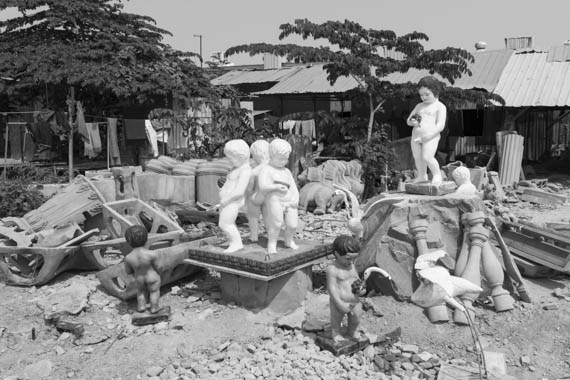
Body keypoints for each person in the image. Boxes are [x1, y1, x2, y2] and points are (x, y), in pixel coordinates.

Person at [258, 138, 299, 255]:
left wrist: (295, 198)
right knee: (276, 223)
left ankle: (289, 240)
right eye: (280, 159)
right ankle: (272, 243)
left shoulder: (286, 171)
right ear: (271, 155)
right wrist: (275, 187)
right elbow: (263, 186)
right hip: (274, 200)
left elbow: (293, 187)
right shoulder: (266, 170)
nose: (283, 161)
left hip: (289, 201)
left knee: (292, 224)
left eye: (285, 159)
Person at [406, 76, 447, 185]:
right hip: (415, 136)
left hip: (431, 137)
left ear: (435, 92)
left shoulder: (440, 107)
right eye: (421, 95)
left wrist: (429, 135)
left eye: (427, 94)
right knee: (418, 157)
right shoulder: (419, 106)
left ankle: (437, 175)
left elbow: (440, 125)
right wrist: (413, 122)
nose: (424, 97)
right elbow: (409, 120)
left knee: (427, 157)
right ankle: (422, 175)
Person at [327, 235, 365, 342]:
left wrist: (361, 288)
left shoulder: (351, 266)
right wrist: (339, 303)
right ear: (337, 254)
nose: (351, 261)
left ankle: (351, 332)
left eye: (354, 258)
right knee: (336, 319)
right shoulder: (333, 269)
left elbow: (356, 279)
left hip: (354, 301)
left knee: (356, 318)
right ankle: (336, 333)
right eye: (348, 258)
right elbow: (331, 288)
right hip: (339, 301)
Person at [218, 139, 252, 253]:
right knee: (225, 223)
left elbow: (239, 191)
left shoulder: (245, 170)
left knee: (225, 223)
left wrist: (226, 199)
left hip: (233, 201)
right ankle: (234, 242)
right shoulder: (235, 168)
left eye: (230, 158)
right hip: (227, 201)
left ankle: (236, 243)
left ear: (240, 156)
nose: (228, 160)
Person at [123, 225, 162, 314]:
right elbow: (158, 266)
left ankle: (141, 307)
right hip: (152, 277)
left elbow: (128, 271)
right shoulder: (152, 254)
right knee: (154, 291)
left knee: (141, 292)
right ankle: (154, 308)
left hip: (139, 279)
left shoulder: (128, 257)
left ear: (128, 241)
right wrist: (159, 274)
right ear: (146, 239)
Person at [246, 139, 270, 242]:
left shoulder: (256, 170)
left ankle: (254, 236)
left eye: (253, 155)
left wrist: (247, 193)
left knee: (252, 216)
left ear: (257, 154)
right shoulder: (274, 166)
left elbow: (250, 185)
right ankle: (271, 235)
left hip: (257, 195)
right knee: (268, 216)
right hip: (270, 196)